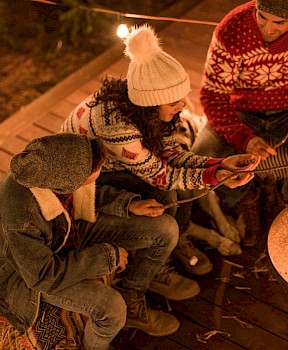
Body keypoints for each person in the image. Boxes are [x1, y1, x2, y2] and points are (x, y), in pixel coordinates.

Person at [61, 25, 260, 276]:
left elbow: (172, 155)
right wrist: (215, 176)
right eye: (174, 102)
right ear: (151, 102)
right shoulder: (117, 127)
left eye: (183, 97)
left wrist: (220, 164)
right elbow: (163, 176)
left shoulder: (144, 106)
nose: (184, 105)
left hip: (114, 164)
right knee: (167, 197)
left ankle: (178, 238)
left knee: (171, 197)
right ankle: (151, 266)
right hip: (85, 183)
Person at [0, 133, 185, 349]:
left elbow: (85, 193)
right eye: (96, 172)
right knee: (112, 309)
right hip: (28, 274)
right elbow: (42, 276)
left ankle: (132, 293)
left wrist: (127, 204)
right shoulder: (21, 220)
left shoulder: (52, 169)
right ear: (70, 180)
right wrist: (107, 257)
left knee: (166, 229)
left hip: (64, 231)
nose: (99, 173)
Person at [191, 0, 288, 246]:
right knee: (201, 156)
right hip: (243, 110)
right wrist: (244, 139)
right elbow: (212, 96)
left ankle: (284, 202)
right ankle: (244, 201)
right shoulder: (232, 30)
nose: (268, 29)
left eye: (279, 22)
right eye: (262, 17)